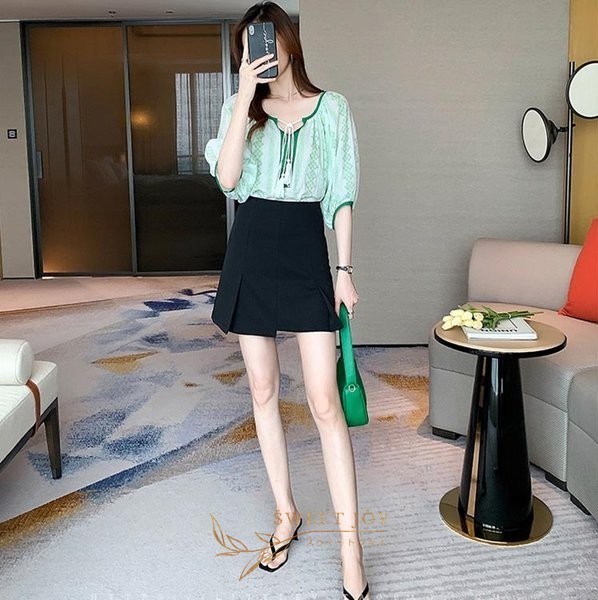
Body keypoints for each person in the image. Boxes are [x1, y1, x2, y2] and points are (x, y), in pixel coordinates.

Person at [204, 3, 368, 599]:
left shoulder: (333, 108)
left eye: (267, 41)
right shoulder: (241, 108)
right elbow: (227, 180)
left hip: (303, 248)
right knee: (263, 390)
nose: (261, 53)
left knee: (324, 401)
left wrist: (343, 270)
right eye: (249, 47)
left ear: (288, 41)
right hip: (252, 244)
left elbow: (341, 194)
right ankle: (286, 514)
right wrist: (243, 96)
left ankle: (351, 544)